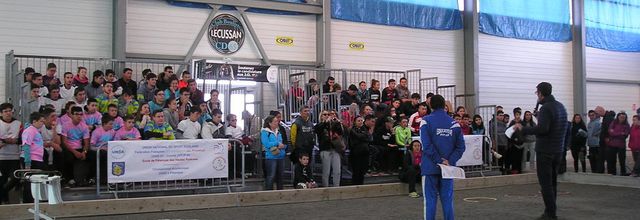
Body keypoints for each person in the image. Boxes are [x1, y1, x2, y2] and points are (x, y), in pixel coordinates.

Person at [514, 82, 568, 220]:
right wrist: (539, 116)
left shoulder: (546, 108)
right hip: (558, 150)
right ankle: (551, 210)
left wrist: (523, 128)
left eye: (537, 93)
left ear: (540, 93)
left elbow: (543, 129)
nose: (536, 95)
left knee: (546, 184)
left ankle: (550, 213)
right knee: (553, 182)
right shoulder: (560, 106)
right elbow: (556, 125)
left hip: (546, 151)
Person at [419, 94, 465, 220]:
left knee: (430, 201)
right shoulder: (454, 123)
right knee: (447, 201)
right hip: (448, 169)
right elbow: (461, 147)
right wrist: (449, 160)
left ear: (430, 105)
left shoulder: (426, 121)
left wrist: (439, 160)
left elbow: (426, 145)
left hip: (430, 167)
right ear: (444, 104)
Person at [61, 106, 91, 187]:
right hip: (69, 148)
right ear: (71, 115)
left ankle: (86, 179)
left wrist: (84, 152)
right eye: (76, 114)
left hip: (80, 147)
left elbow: (86, 142)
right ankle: (69, 179)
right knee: (68, 157)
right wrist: (75, 152)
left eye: (81, 114)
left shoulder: (84, 126)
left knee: (90, 156)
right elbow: (64, 142)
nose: (79, 116)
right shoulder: (65, 125)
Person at [19, 112, 46, 202]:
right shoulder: (30, 130)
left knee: (35, 182)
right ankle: (28, 201)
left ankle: (34, 200)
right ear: (34, 121)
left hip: (37, 159)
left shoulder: (35, 131)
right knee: (29, 182)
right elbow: (26, 146)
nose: (42, 124)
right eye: (41, 121)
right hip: (31, 159)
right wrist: (27, 163)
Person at [315, 111, 343, 187]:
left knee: (337, 171)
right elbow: (317, 130)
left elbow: (341, 132)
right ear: (321, 116)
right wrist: (325, 122)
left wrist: (337, 123)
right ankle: (326, 188)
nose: (327, 116)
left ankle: (336, 188)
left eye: (328, 114)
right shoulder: (319, 125)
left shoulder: (333, 124)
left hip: (335, 149)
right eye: (325, 114)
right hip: (325, 150)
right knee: (326, 172)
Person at [0, 103, 21, 204]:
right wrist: (5, 141)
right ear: (1, 113)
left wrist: (15, 141)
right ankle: (5, 201)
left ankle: (2, 193)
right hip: (1, 156)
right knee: (2, 180)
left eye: (10, 111)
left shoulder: (18, 123)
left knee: (16, 178)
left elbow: (22, 139)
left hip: (14, 156)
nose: (8, 113)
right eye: (5, 111)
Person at [261, 115, 286, 190]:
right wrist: (277, 144)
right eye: (275, 121)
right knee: (271, 176)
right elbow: (266, 144)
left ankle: (280, 193)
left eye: (277, 121)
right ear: (269, 123)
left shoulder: (278, 131)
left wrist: (283, 146)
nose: (277, 123)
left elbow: (282, 142)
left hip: (280, 156)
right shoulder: (265, 132)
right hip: (271, 157)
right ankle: (269, 193)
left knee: (280, 176)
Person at [89, 115, 116, 184]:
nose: (112, 126)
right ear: (104, 124)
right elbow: (91, 147)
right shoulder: (96, 132)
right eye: (110, 124)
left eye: (112, 124)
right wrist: (101, 148)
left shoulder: (112, 132)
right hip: (97, 151)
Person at [349, 115, 374, 185]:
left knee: (362, 171)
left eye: (361, 121)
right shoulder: (352, 130)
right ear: (355, 122)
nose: (360, 122)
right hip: (356, 153)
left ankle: (361, 185)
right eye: (358, 121)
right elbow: (358, 137)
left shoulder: (364, 129)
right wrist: (363, 137)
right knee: (356, 171)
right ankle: (355, 185)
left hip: (364, 152)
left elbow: (369, 138)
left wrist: (362, 137)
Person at [38, 107, 63, 172]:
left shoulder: (58, 126)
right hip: (42, 147)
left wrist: (54, 129)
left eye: (55, 116)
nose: (55, 118)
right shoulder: (40, 126)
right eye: (52, 116)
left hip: (53, 146)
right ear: (45, 119)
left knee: (59, 151)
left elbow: (58, 142)